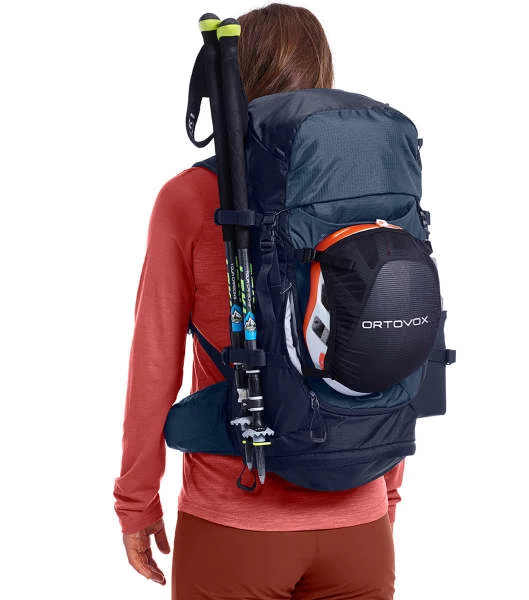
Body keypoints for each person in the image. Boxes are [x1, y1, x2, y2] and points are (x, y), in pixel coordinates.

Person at [113, 4, 405, 599]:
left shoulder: (190, 198)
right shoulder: (371, 194)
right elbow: (390, 345)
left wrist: (136, 500)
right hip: (361, 522)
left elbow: (155, 362)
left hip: (237, 520)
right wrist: (387, 489)